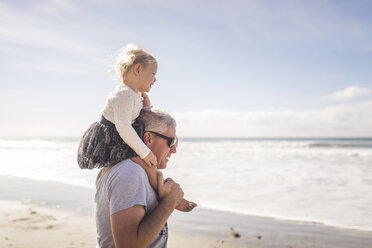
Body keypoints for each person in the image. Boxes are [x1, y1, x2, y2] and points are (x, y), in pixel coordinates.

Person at [77, 44, 196, 211]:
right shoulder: (123, 95)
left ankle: (166, 192)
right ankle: (171, 197)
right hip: (113, 140)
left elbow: (138, 117)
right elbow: (124, 127)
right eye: (152, 74)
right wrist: (145, 152)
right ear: (138, 69)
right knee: (147, 162)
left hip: (122, 136)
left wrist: (146, 107)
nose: (155, 79)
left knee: (149, 163)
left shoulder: (134, 95)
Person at [95, 108, 186, 248]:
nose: (174, 149)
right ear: (148, 138)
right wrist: (169, 202)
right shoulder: (130, 173)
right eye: (171, 142)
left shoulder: (128, 168)